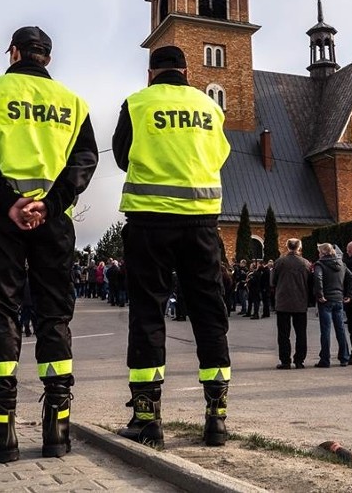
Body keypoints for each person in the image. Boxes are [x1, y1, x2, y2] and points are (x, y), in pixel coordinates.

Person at [0, 26, 98, 462]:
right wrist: (50, 205)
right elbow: (84, 161)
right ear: (48, 59)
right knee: (55, 315)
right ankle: (58, 429)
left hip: (2, 219)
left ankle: (0, 431)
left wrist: (7, 200)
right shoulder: (74, 103)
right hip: (54, 224)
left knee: (2, 311)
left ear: (14, 52)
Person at [111, 45, 231, 449]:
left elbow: (122, 157)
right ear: (186, 71)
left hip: (149, 221)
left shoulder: (138, 103)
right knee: (209, 314)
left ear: (151, 72)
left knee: (148, 313)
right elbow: (220, 156)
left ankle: (147, 420)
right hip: (202, 224)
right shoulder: (209, 108)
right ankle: (216, 420)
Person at [312, 243, 352, 368]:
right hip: (339, 299)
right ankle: (344, 357)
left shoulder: (320, 264)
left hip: (326, 300)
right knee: (340, 329)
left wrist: (320, 295)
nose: (318, 254)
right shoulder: (341, 263)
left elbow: (318, 278)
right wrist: (349, 294)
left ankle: (325, 359)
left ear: (323, 252)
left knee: (325, 330)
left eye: (319, 251)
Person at [271, 239, 311, 369]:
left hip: (283, 302)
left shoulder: (279, 262)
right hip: (300, 302)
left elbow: (273, 282)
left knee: (283, 334)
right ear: (299, 247)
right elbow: (311, 283)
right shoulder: (305, 263)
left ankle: (285, 361)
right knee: (301, 333)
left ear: (287, 247)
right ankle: (299, 360)